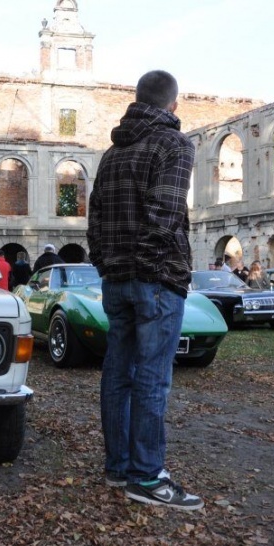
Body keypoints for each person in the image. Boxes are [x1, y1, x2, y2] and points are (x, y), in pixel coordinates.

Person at [86, 70, 203, 510]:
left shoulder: (112, 154)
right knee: (152, 377)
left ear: (137, 100)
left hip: (117, 280)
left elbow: (94, 217)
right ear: (173, 105)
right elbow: (166, 211)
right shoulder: (173, 144)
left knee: (119, 375)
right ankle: (148, 476)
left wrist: (106, 264)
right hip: (154, 280)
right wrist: (151, 267)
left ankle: (119, 467)